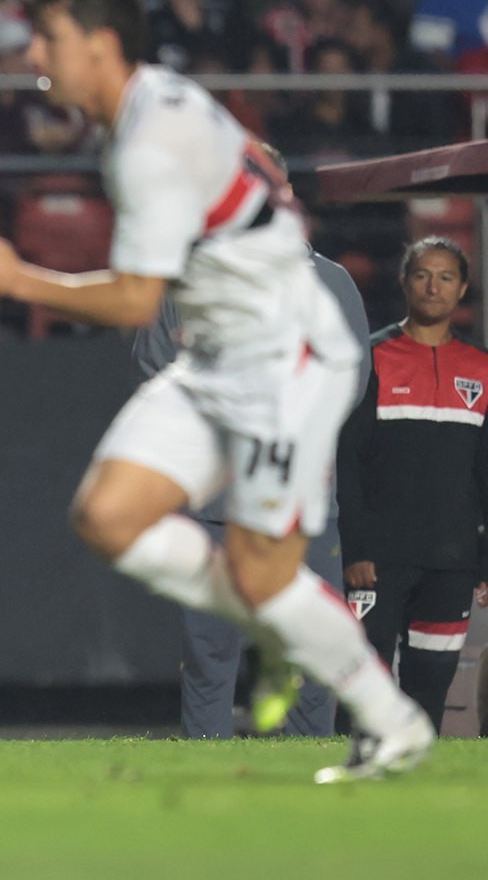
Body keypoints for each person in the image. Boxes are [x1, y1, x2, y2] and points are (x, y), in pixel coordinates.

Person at [0, 0, 433, 782]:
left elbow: (139, 300)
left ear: (102, 44)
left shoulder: (148, 140)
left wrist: (15, 278)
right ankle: (279, 619)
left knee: (257, 568)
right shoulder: (146, 107)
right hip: (218, 350)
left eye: (52, 37)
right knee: (106, 516)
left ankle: (392, 722)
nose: (35, 53)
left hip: (290, 362)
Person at [135, 187, 372, 738]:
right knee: (210, 657)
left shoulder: (331, 281)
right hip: (216, 501)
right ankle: (206, 788)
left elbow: (353, 379)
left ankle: (306, 786)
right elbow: (154, 369)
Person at [336, 236, 488, 734]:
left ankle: (418, 796)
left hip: (452, 562)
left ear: (462, 288)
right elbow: (348, 460)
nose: (433, 286)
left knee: (431, 686)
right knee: (364, 681)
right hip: (378, 561)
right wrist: (356, 548)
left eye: (446, 277)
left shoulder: (481, 369)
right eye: (423, 274)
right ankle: (346, 794)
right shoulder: (374, 357)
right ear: (404, 282)